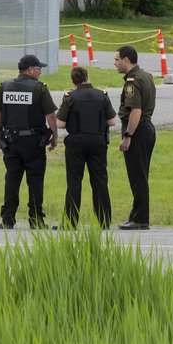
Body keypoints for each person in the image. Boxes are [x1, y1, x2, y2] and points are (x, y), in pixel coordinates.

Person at [0, 54, 58, 229]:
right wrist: (55, 136)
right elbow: (50, 115)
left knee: (12, 178)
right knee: (35, 180)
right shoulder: (39, 89)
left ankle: (7, 218)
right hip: (33, 141)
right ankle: (36, 219)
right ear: (30, 70)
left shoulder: (4, 87)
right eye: (38, 69)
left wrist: (0, 134)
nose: (40, 73)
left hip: (11, 141)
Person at [55, 65, 116, 229]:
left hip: (76, 142)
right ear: (87, 77)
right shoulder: (102, 95)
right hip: (98, 141)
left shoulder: (70, 97)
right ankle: (104, 222)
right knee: (100, 181)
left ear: (73, 81)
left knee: (74, 182)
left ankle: (70, 222)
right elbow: (112, 121)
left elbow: (60, 124)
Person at [114, 44, 157, 230]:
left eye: (117, 60)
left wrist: (128, 135)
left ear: (126, 60)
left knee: (137, 177)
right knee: (141, 175)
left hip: (137, 130)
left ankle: (140, 220)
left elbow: (135, 111)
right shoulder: (146, 76)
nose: (115, 64)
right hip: (148, 128)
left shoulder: (132, 81)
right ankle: (136, 215)